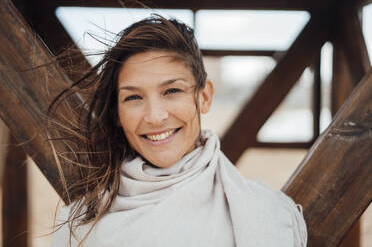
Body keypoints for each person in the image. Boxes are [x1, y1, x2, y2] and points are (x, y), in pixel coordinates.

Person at [49, 14, 307, 247]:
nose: (155, 116)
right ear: (117, 113)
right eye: (133, 98)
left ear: (204, 97)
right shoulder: (78, 226)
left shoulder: (270, 213)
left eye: (172, 91)